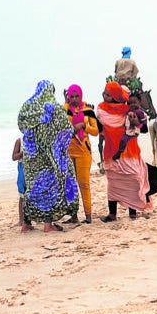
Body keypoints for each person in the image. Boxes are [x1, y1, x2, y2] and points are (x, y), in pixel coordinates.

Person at [18, 81, 81, 231]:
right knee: (49, 187)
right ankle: (48, 224)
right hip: (47, 157)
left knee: (31, 187)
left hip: (30, 156)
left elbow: (21, 127)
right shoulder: (55, 108)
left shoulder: (26, 108)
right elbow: (66, 129)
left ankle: (26, 224)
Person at [98, 82, 151, 221]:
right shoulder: (101, 110)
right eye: (104, 93)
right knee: (113, 183)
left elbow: (144, 129)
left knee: (132, 180)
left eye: (108, 94)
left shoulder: (128, 110)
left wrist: (137, 122)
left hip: (130, 153)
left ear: (115, 95)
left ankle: (132, 212)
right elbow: (99, 127)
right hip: (111, 153)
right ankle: (112, 214)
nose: (105, 96)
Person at [63, 84, 99, 223]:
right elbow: (60, 123)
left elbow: (96, 131)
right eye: (71, 96)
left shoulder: (88, 110)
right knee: (70, 184)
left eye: (76, 96)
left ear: (81, 95)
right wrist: (66, 103)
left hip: (83, 149)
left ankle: (88, 215)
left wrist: (84, 126)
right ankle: (73, 215)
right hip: (68, 150)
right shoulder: (66, 110)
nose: (74, 99)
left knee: (83, 183)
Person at [12, 137, 29, 229]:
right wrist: (23, 153)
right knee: (22, 195)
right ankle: (21, 219)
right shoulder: (20, 141)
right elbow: (14, 157)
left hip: (34, 168)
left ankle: (34, 218)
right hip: (23, 168)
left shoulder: (37, 137)